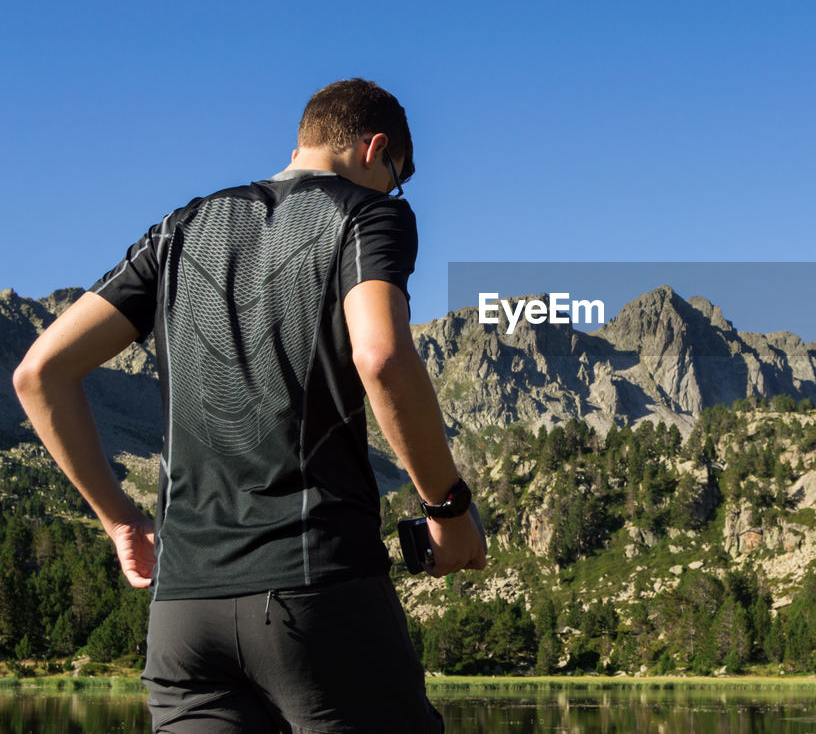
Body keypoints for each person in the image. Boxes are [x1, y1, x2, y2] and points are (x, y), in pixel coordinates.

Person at [12, 78, 485, 732]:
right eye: (396, 178)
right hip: (319, 591)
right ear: (375, 149)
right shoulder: (367, 215)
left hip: (184, 615)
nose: (393, 194)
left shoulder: (177, 230)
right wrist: (447, 508)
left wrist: (120, 518)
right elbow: (380, 357)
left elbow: (40, 372)